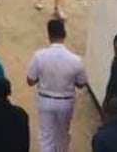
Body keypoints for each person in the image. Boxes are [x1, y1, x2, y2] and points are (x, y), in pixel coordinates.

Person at [26, 19, 88, 152]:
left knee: (46, 137)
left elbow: (30, 81)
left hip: (45, 100)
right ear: (64, 34)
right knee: (62, 135)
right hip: (66, 102)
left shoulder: (39, 56)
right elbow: (81, 84)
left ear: (48, 35)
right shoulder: (76, 60)